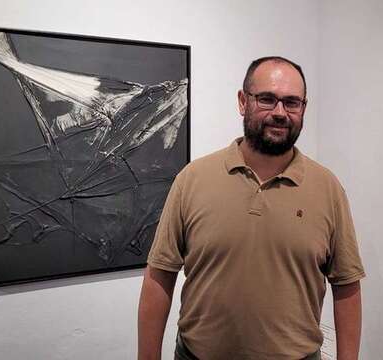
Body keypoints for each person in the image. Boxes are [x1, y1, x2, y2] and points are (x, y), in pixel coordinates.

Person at [137, 56, 365, 360]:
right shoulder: (192, 180)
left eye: (292, 102)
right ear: (243, 101)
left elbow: (346, 286)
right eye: (267, 99)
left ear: (303, 108)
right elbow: (159, 275)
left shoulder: (328, 189)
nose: (280, 113)